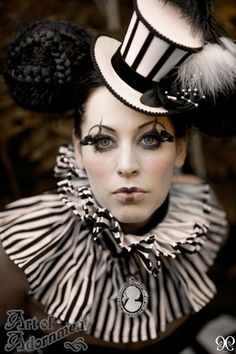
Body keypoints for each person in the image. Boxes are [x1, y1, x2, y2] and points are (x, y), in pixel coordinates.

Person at [0, 0, 236, 353]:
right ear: (78, 149)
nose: (127, 165)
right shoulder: (19, 248)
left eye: (151, 139)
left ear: (181, 149)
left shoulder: (204, 220)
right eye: (102, 140)